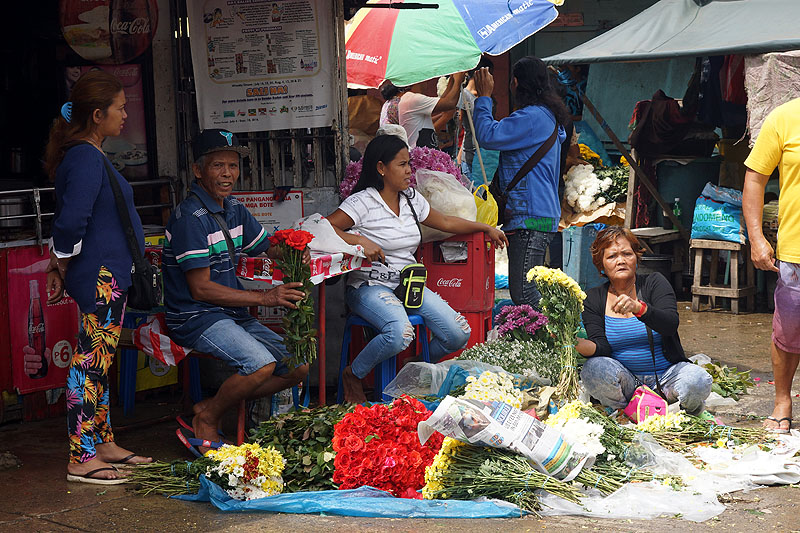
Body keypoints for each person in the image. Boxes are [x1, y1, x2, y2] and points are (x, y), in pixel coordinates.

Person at [328, 134, 508, 403]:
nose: (409, 171)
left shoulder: (411, 199)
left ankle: (410, 371)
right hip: (370, 286)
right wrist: (359, 240)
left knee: (458, 334)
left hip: (407, 285)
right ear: (381, 168)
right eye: (402, 165)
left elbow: (446, 222)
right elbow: (324, 226)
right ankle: (353, 374)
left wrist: (485, 228)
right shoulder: (362, 202)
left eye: (409, 163)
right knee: (399, 334)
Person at [163, 129, 309, 453]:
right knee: (260, 364)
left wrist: (298, 250)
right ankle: (208, 419)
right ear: (199, 170)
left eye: (232, 165)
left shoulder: (234, 209)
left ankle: (209, 405)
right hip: (195, 316)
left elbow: (267, 249)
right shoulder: (190, 218)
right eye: (218, 166)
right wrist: (264, 298)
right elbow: (200, 289)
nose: (227, 173)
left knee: (298, 366)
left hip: (231, 314)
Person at [41, 69, 152, 484]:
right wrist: (63, 260)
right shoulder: (86, 156)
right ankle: (82, 454)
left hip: (107, 273)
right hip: (102, 276)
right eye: (120, 109)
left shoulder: (89, 154)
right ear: (96, 114)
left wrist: (59, 261)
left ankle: (102, 442)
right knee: (90, 363)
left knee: (99, 362)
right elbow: (71, 221)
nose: (125, 115)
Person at [576, 227, 712, 415]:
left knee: (697, 380)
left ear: (636, 259)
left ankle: (678, 410)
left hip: (666, 377)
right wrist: (573, 344)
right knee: (592, 369)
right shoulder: (593, 298)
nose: (621, 260)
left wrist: (639, 308)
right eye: (612, 256)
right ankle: (626, 411)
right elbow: (602, 348)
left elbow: (670, 324)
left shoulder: (654, 283)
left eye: (627, 254)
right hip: (626, 383)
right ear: (601, 265)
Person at [472, 57, 568, 307]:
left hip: (531, 216)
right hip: (537, 214)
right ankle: (548, 341)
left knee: (525, 293)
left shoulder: (532, 117)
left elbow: (487, 136)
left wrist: (484, 97)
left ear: (515, 83)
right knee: (528, 291)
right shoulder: (545, 116)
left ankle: (558, 340)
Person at [742, 97, 800, 433]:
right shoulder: (783, 118)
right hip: (794, 252)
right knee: (788, 332)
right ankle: (782, 399)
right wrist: (756, 237)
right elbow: (754, 179)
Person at [380, 73, 466, 149]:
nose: (426, 83)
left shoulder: (396, 101)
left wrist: (452, 78)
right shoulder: (412, 99)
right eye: (424, 80)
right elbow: (450, 102)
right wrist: (458, 81)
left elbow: (443, 100)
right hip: (418, 155)